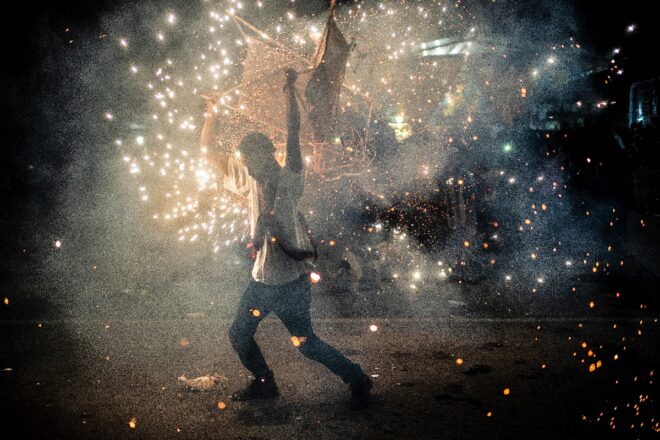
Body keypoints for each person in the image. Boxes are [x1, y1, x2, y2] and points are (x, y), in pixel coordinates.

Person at [200, 68, 372, 409]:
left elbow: (293, 131)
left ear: (265, 157)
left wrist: (290, 90)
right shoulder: (250, 180)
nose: (245, 169)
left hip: (291, 283)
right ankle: (265, 384)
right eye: (243, 163)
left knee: (307, 344)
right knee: (239, 334)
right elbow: (208, 151)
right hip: (262, 283)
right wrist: (212, 113)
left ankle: (357, 378)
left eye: (249, 161)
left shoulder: (289, 178)